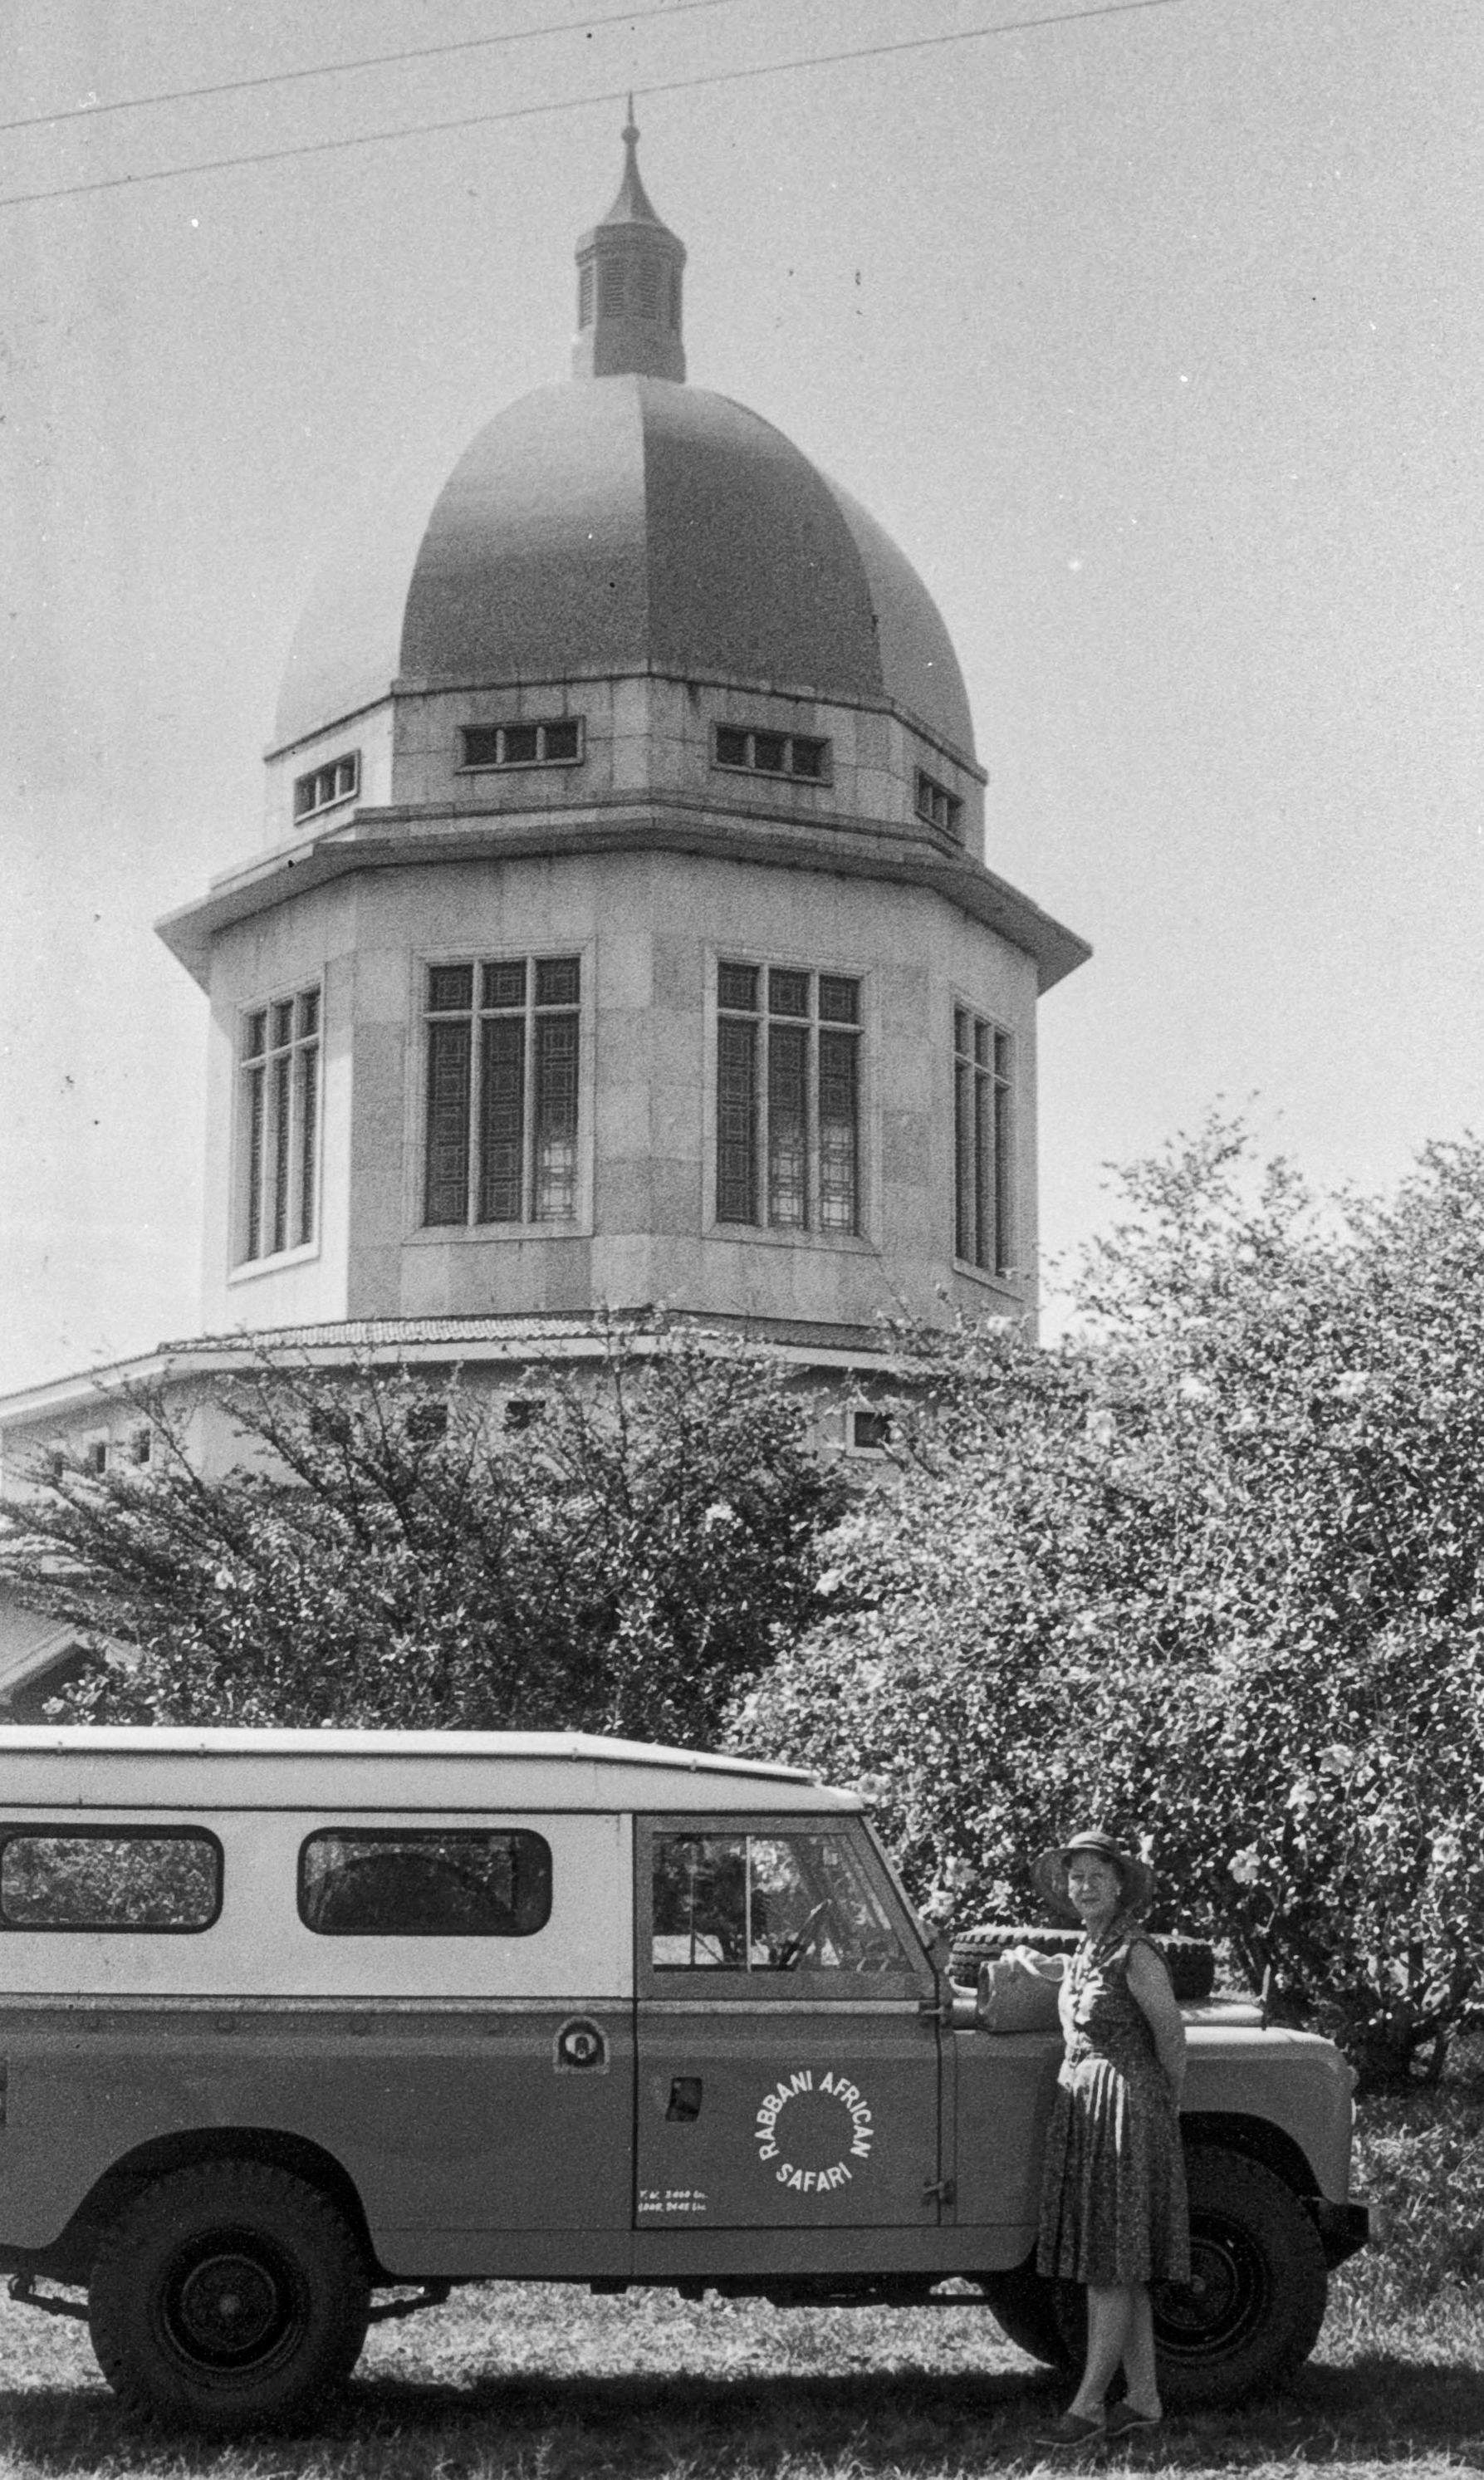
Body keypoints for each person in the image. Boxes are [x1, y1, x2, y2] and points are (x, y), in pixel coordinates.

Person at [1031, 1828, 1189, 2448]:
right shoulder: (1085, 1949)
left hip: (1127, 2106)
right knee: (1116, 2264)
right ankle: (1143, 2398)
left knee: (1109, 2268)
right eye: (1076, 1876)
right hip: (1089, 2102)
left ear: (1120, 1885)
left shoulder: (1136, 1953)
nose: (1085, 1885)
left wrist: (1157, 2109)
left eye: (1098, 1874)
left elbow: (1170, 2040)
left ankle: (1089, 2404)